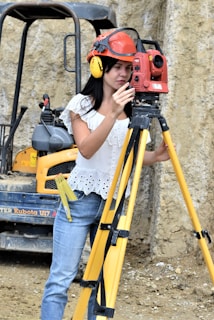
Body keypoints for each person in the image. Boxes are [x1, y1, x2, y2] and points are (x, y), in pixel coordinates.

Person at [40, 28, 170, 320]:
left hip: (113, 204)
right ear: (100, 67)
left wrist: (155, 156)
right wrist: (111, 113)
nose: (123, 74)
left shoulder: (134, 109)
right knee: (61, 279)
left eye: (128, 67)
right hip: (79, 201)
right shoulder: (82, 105)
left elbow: (126, 156)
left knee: (98, 283)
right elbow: (86, 149)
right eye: (117, 67)